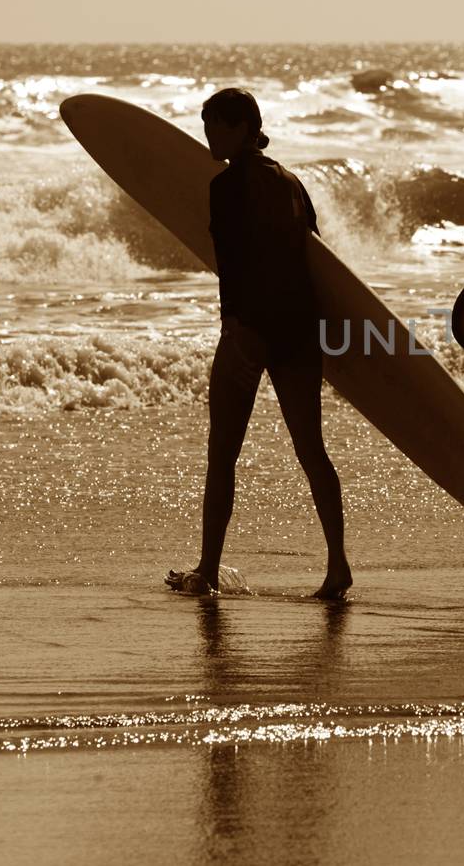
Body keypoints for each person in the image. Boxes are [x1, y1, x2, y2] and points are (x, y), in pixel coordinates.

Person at [166, 88, 350, 599]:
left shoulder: (226, 186)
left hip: (251, 330)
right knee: (312, 451)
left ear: (241, 127)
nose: (208, 134)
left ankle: (207, 568)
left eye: (215, 125)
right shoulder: (293, 183)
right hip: (296, 331)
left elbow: (234, 265)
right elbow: (314, 259)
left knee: (222, 453)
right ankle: (337, 568)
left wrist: (236, 328)